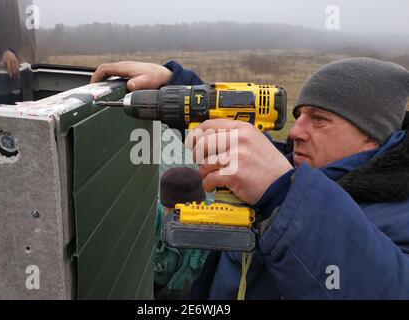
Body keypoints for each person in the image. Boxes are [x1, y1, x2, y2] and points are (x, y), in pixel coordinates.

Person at [92, 58, 409, 299]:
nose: (296, 132)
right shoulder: (297, 166)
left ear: (372, 136)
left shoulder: (398, 212)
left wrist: (285, 195)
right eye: (299, 116)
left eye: (320, 120)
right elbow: (231, 134)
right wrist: (176, 89)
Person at [155, 167, 210, 300]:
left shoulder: (213, 227)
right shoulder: (155, 217)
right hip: (156, 284)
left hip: (186, 292)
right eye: (168, 210)